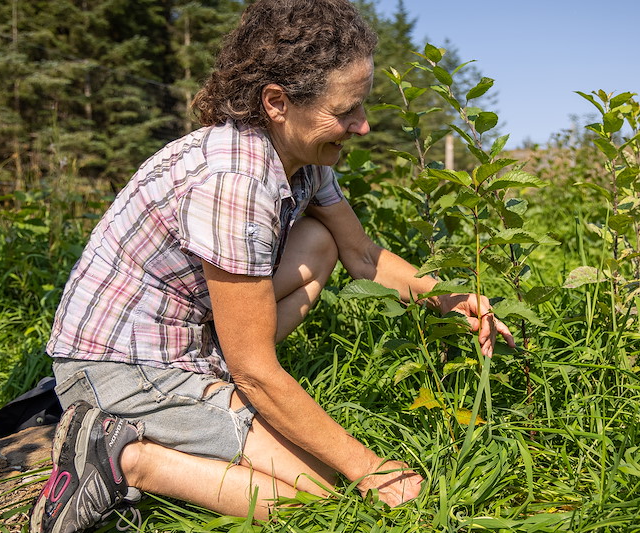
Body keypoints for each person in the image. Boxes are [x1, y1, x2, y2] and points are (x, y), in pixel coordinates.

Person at [29, 1, 516, 531]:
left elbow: (361, 255)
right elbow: (255, 371)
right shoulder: (234, 183)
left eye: (362, 106)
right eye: (346, 111)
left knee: (319, 241)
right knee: (322, 495)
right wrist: (371, 469)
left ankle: (206, 403)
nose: (363, 126)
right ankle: (123, 458)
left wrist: (450, 298)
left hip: (187, 341)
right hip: (121, 368)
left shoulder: (304, 157)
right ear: (278, 102)